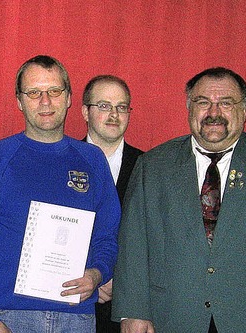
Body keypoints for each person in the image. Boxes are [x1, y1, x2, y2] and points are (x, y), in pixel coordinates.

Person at [0, 55, 121, 333]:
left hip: (77, 316)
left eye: (54, 91)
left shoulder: (92, 159)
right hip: (9, 317)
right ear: (19, 101)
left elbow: (107, 236)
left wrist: (97, 273)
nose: (45, 102)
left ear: (69, 97)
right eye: (34, 93)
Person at [112, 67, 246, 332]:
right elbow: (134, 243)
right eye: (203, 102)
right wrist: (132, 312)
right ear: (189, 107)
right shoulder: (154, 166)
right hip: (172, 316)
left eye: (226, 103)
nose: (214, 113)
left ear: (245, 108)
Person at [81, 75, 143, 333]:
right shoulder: (62, 161)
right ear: (85, 111)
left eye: (121, 107)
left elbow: (153, 239)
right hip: (72, 298)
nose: (114, 114)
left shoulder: (149, 167)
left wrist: (123, 281)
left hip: (128, 308)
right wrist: (93, 275)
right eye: (104, 106)